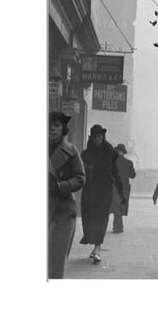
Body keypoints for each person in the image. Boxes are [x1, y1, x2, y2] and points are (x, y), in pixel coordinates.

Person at [79, 124, 125, 264]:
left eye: (100, 137)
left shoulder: (109, 152)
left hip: (105, 191)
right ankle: (94, 246)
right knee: (90, 219)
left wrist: (121, 193)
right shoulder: (85, 155)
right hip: (90, 191)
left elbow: (115, 173)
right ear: (91, 138)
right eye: (95, 137)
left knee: (101, 218)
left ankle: (98, 248)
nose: (98, 139)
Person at [48, 111, 85, 279]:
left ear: (63, 129)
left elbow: (80, 178)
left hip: (63, 209)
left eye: (56, 126)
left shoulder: (71, 151)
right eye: (49, 126)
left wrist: (61, 186)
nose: (52, 129)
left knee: (57, 258)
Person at [110, 143, 136, 233]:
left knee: (115, 206)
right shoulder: (128, 163)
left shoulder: (111, 161)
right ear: (123, 152)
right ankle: (118, 226)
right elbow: (133, 175)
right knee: (120, 206)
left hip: (114, 186)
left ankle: (118, 226)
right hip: (124, 187)